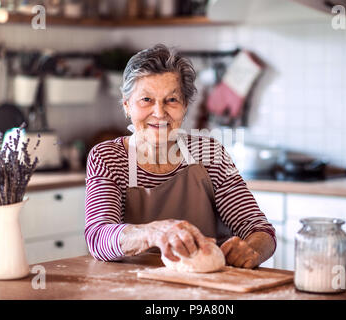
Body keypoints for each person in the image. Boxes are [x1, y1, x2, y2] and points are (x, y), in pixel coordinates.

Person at [85, 44, 276, 269]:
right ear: (127, 105)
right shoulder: (108, 157)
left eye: (171, 100)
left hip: (205, 287)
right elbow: (98, 237)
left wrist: (251, 249)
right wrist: (153, 233)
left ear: (185, 106)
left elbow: (259, 229)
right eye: (146, 100)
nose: (159, 113)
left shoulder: (209, 154)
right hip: (133, 286)